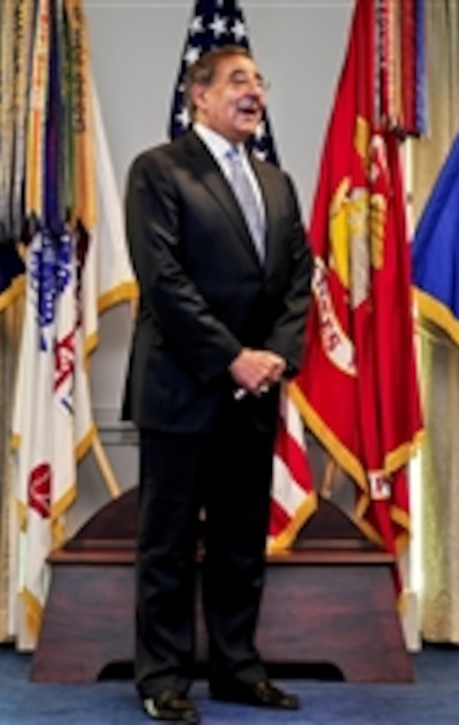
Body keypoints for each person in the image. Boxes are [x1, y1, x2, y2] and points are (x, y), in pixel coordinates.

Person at [121, 45, 312, 723]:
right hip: (183, 387)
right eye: (238, 80)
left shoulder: (278, 182)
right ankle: (163, 679)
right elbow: (164, 282)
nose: (254, 90)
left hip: (254, 392)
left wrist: (277, 359)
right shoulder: (159, 171)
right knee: (167, 543)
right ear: (198, 95)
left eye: (259, 79)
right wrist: (233, 355)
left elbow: (298, 284)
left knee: (239, 542)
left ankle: (237, 668)